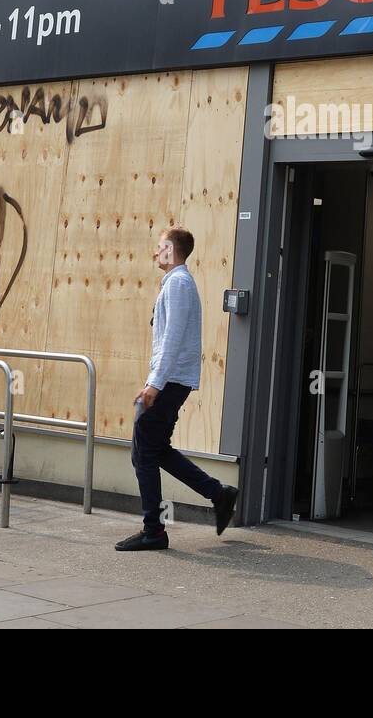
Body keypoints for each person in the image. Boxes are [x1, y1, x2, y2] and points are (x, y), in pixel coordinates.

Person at [115, 226, 239, 551]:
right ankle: (218, 494)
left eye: (159, 247)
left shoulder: (179, 284)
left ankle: (154, 531)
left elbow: (172, 339)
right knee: (151, 450)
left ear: (171, 249)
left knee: (144, 453)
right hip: (166, 380)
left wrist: (154, 385)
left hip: (169, 382)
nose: (155, 253)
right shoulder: (173, 284)